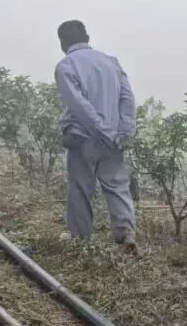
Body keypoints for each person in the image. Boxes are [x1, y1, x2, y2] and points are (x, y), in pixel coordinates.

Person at [54, 20, 137, 252]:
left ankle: (80, 240)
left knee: (80, 188)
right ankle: (126, 236)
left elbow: (80, 106)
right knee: (118, 186)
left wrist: (104, 132)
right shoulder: (112, 63)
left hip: (84, 138)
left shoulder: (66, 66)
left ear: (62, 43)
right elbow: (127, 99)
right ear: (87, 37)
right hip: (113, 141)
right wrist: (124, 132)